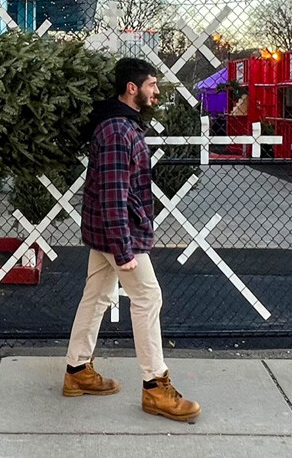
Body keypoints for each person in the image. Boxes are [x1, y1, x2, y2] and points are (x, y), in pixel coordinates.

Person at [62, 57, 201, 423]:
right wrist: (124, 250)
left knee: (97, 296)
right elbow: (112, 196)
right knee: (148, 297)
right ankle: (155, 387)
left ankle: (77, 371)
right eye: (152, 85)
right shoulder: (117, 132)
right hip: (117, 236)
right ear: (132, 88)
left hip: (108, 233)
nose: (156, 92)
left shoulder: (123, 126)